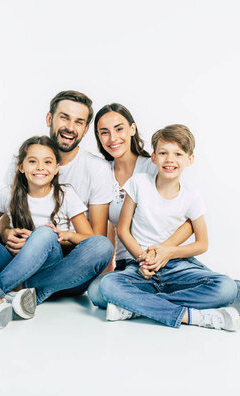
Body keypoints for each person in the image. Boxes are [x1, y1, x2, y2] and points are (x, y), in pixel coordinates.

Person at [0, 136, 104, 329]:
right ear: (21, 167)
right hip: (13, 263)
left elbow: (90, 239)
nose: (40, 167)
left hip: (50, 266)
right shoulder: (10, 193)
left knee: (46, 234)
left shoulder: (66, 195)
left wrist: (64, 235)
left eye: (47, 162)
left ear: (57, 168)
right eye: (33, 161)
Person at [98, 124, 240, 331]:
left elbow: (202, 243)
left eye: (178, 154)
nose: (170, 159)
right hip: (140, 266)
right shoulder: (139, 183)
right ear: (153, 157)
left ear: (190, 160)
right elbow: (123, 230)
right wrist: (144, 259)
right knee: (102, 288)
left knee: (228, 288)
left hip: (177, 266)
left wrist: (168, 252)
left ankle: (138, 306)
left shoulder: (192, 197)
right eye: (163, 153)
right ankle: (193, 315)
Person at [0, 91, 114, 299]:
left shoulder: (97, 169)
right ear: (50, 118)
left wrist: (45, 241)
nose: (70, 127)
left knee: (102, 246)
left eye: (78, 122)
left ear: (86, 129)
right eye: (64, 117)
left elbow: (94, 239)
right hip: (18, 259)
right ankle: (25, 291)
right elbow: (6, 218)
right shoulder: (24, 159)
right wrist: (6, 233)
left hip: (67, 268)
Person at [86, 103, 194, 307]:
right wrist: (107, 268)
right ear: (98, 137)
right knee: (96, 292)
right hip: (129, 263)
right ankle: (159, 303)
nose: (113, 138)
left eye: (119, 129)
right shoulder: (102, 173)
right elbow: (110, 226)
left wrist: (163, 252)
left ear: (132, 129)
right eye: (104, 132)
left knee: (234, 294)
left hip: (165, 260)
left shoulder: (154, 164)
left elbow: (189, 217)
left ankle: (137, 305)